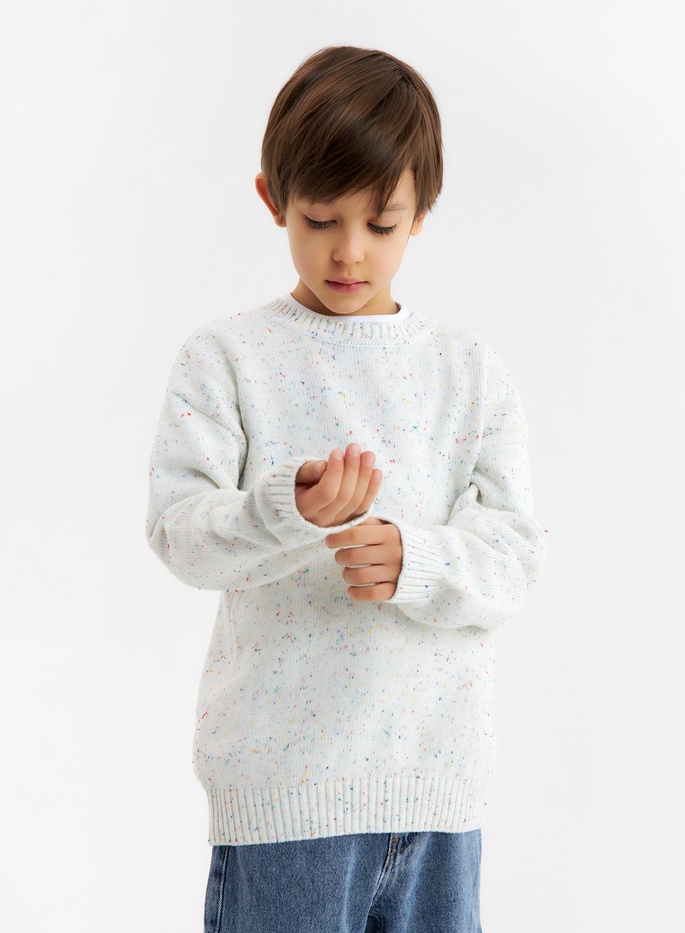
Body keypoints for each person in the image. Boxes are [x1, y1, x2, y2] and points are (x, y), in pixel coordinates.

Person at [146, 45, 546, 933]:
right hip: (285, 803)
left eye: (382, 222)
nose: (350, 251)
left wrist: (417, 559)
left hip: (439, 795)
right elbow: (180, 531)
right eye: (321, 218)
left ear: (422, 211)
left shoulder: (469, 372)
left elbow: (516, 558)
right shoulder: (227, 359)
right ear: (273, 199)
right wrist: (287, 509)